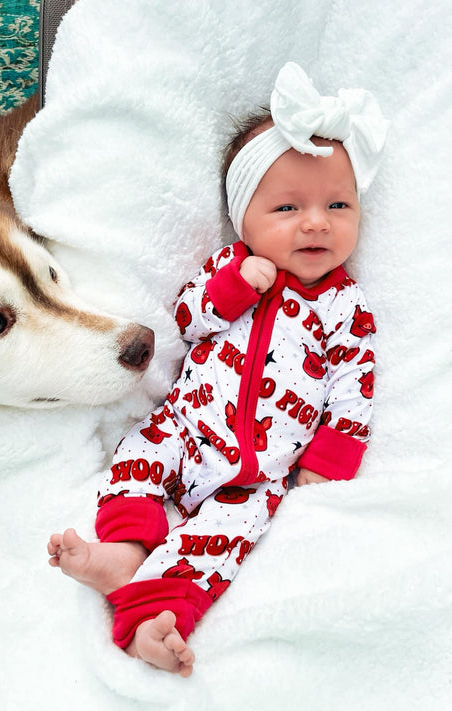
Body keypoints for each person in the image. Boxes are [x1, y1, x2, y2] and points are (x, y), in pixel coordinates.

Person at [47, 62, 388, 677]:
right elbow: (186, 317)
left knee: (221, 544)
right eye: (288, 206)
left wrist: (327, 459)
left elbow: (353, 387)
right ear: (243, 218)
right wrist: (233, 287)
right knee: (134, 462)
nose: (317, 221)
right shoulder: (229, 265)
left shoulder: (346, 306)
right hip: (184, 428)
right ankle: (124, 547)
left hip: (258, 473)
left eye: (339, 203)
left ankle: (155, 617)